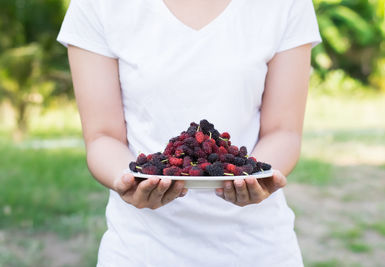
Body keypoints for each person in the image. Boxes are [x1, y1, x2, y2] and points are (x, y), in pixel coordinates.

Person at [57, 0, 321, 266]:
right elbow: (103, 136)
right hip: (141, 250)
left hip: (258, 249)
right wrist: (127, 180)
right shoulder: (98, 5)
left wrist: (252, 176)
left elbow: (283, 131)